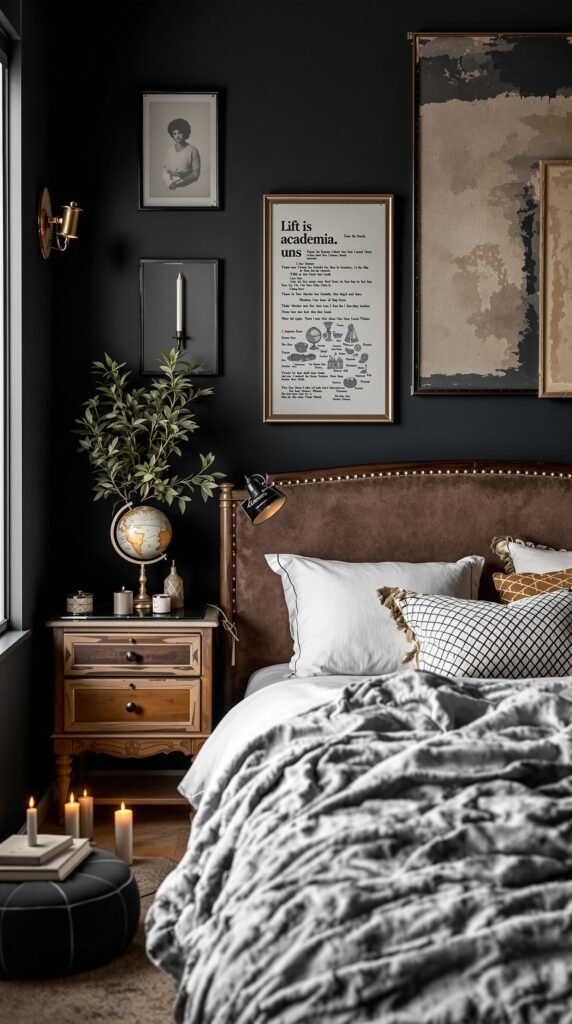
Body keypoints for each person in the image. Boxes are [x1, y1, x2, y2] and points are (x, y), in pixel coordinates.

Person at [161, 118, 200, 190]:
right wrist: (169, 183)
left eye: (180, 132)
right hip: (169, 187)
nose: (177, 136)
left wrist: (177, 183)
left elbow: (195, 174)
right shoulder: (168, 151)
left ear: (185, 133)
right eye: (174, 133)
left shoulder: (193, 150)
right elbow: (164, 169)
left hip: (186, 188)